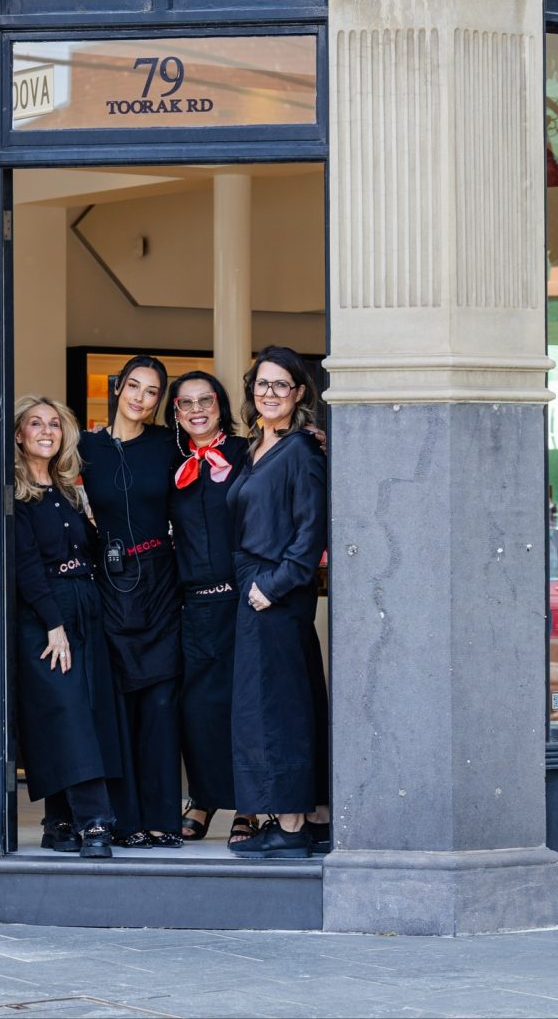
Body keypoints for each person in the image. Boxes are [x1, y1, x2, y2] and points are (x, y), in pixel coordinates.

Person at [226, 345, 330, 859]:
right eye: (261, 385)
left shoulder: (303, 452)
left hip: (276, 595)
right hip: (255, 589)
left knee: (278, 708)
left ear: (299, 393)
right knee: (266, 704)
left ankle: (291, 827)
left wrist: (275, 585)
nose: (270, 394)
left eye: (280, 385)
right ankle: (303, 817)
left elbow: (311, 533)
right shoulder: (252, 450)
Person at [78, 356, 182, 848]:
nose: (141, 398)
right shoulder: (85, 446)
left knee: (160, 702)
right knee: (118, 703)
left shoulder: (169, 444)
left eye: (152, 391)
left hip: (161, 578)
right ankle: (125, 819)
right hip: (109, 579)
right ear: (118, 389)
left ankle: (163, 818)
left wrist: (310, 437)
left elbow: (225, 449)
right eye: (134, 387)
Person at [13, 394, 121, 859]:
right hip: (45, 612)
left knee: (84, 709)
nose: (46, 431)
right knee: (67, 712)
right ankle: (95, 822)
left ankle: (59, 823)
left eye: (53, 424)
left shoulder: (67, 490)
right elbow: (25, 566)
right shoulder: (14, 493)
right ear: (19, 434)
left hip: (85, 603)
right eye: (35, 423)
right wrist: (53, 624)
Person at [165, 370, 258, 849]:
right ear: (176, 412)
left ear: (221, 406)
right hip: (193, 603)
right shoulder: (171, 459)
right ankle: (202, 798)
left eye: (206, 400)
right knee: (197, 708)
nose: (197, 409)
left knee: (241, 706)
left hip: (243, 600)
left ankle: (248, 805)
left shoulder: (249, 453)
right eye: (186, 403)